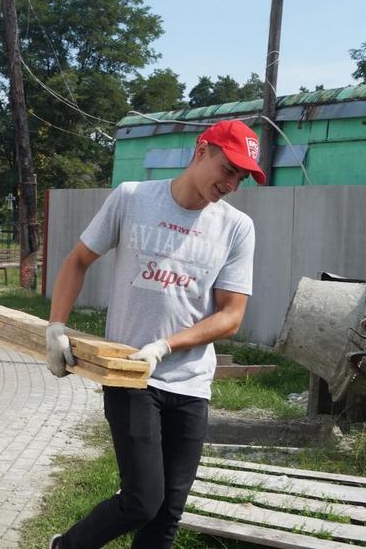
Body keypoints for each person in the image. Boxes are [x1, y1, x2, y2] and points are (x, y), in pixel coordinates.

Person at [45, 119, 264, 549]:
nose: (232, 183)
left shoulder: (237, 228)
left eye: (241, 177)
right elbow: (77, 261)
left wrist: (164, 347)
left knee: (167, 516)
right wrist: (55, 326)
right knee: (143, 500)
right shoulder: (132, 198)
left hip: (191, 382)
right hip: (131, 375)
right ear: (202, 151)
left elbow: (231, 316)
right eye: (228, 169)